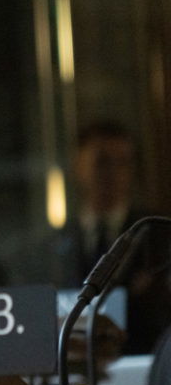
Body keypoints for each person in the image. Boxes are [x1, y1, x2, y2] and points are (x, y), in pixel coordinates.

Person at [53, 120, 170, 354]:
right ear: (78, 166)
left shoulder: (158, 232)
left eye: (124, 163)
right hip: (75, 367)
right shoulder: (55, 243)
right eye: (102, 162)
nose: (113, 174)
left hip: (143, 363)